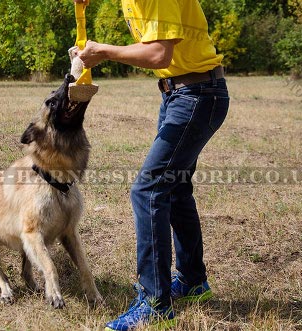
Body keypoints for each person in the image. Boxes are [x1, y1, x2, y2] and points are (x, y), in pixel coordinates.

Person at [73, 1, 229, 330]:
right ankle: (191, 282)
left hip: (197, 94)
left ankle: (155, 303)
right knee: (174, 189)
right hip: (181, 92)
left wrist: (103, 51)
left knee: (149, 191)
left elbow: (159, 54)